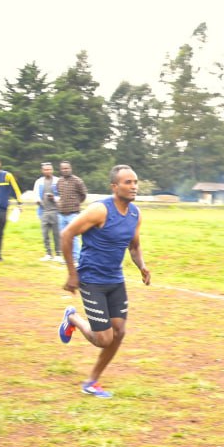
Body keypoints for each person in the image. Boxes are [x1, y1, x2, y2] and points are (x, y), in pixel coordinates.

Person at [56, 165, 150, 399]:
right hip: (91, 279)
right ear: (114, 187)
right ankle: (72, 318)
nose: (133, 186)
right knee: (104, 339)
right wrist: (72, 273)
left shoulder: (135, 214)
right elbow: (66, 234)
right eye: (127, 182)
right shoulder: (99, 210)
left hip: (115, 279)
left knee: (119, 333)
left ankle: (92, 381)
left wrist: (142, 265)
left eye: (135, 182)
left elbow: (134, 245)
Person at [56, 160, 88, 265]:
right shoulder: (59, 181)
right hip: (61, 213)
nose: (65, 170)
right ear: (61, 170)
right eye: (63, 168)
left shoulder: (77, 181)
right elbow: (59, 194)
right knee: (63, 236)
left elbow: (83, 194)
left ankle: (76, 258)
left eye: (67, 168)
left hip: (73, 213)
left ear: (71, 168)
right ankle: (66, 257)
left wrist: (76, 203)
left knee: (74, 237)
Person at [33, 162, 61, 261]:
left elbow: (61, 195)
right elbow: (35, 194)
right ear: (42, 171)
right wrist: (37, 201)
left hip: (55, 211)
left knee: (56, 234)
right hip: (43, 210)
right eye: (45, 170)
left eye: (49, 169)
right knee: (45, 234)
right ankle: (48, 253)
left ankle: (58, 254)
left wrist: (54, 198)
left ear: (52, 170)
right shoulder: (39, 182)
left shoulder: (57, 181)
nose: (47, 171)